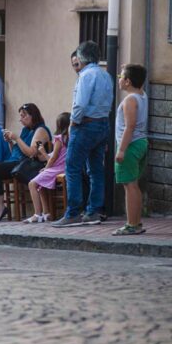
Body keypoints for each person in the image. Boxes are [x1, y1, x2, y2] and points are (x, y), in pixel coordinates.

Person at [53, 41, 113, 228]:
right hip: (103, 124)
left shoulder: (85, 76)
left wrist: (72, 124)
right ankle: (93, 211)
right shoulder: (106, 76)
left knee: (72, 167)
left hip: (85, 126)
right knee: (95, 169)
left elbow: (79, 105)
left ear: (82, 57)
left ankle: (73, 213)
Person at [0, 103, 51, 222]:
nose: (21, 119)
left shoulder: (41, 130)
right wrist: (10, 142)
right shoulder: (25, 130)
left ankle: (0, 208)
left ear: (33, 115)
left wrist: (17, 138)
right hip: (17, 162)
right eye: (20, 116)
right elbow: (16, 151)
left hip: (26, 164)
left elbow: (31, 153)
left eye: (24, 116)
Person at [113, 64, 149, 235]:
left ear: (127, 81)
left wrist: (121, 150)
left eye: (121, 76)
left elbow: (130, 126)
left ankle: (132, 225)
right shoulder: (142, 95)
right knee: (134, 185)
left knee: (130, 186)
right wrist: (128, 68)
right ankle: (136, 222)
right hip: (141, 143)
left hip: (130, 146)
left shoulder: (129, 100)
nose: (119, 79)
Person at [26, 112, 70, 223]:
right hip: (63, 167)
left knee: (32, 184)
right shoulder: (69, 139)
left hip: (57, 168)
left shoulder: (59, 139)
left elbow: (54, 157)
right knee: (40, 184)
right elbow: (57, 156)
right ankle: (46, 213)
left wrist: (46, 167)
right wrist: (44, 153)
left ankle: (37, 214)